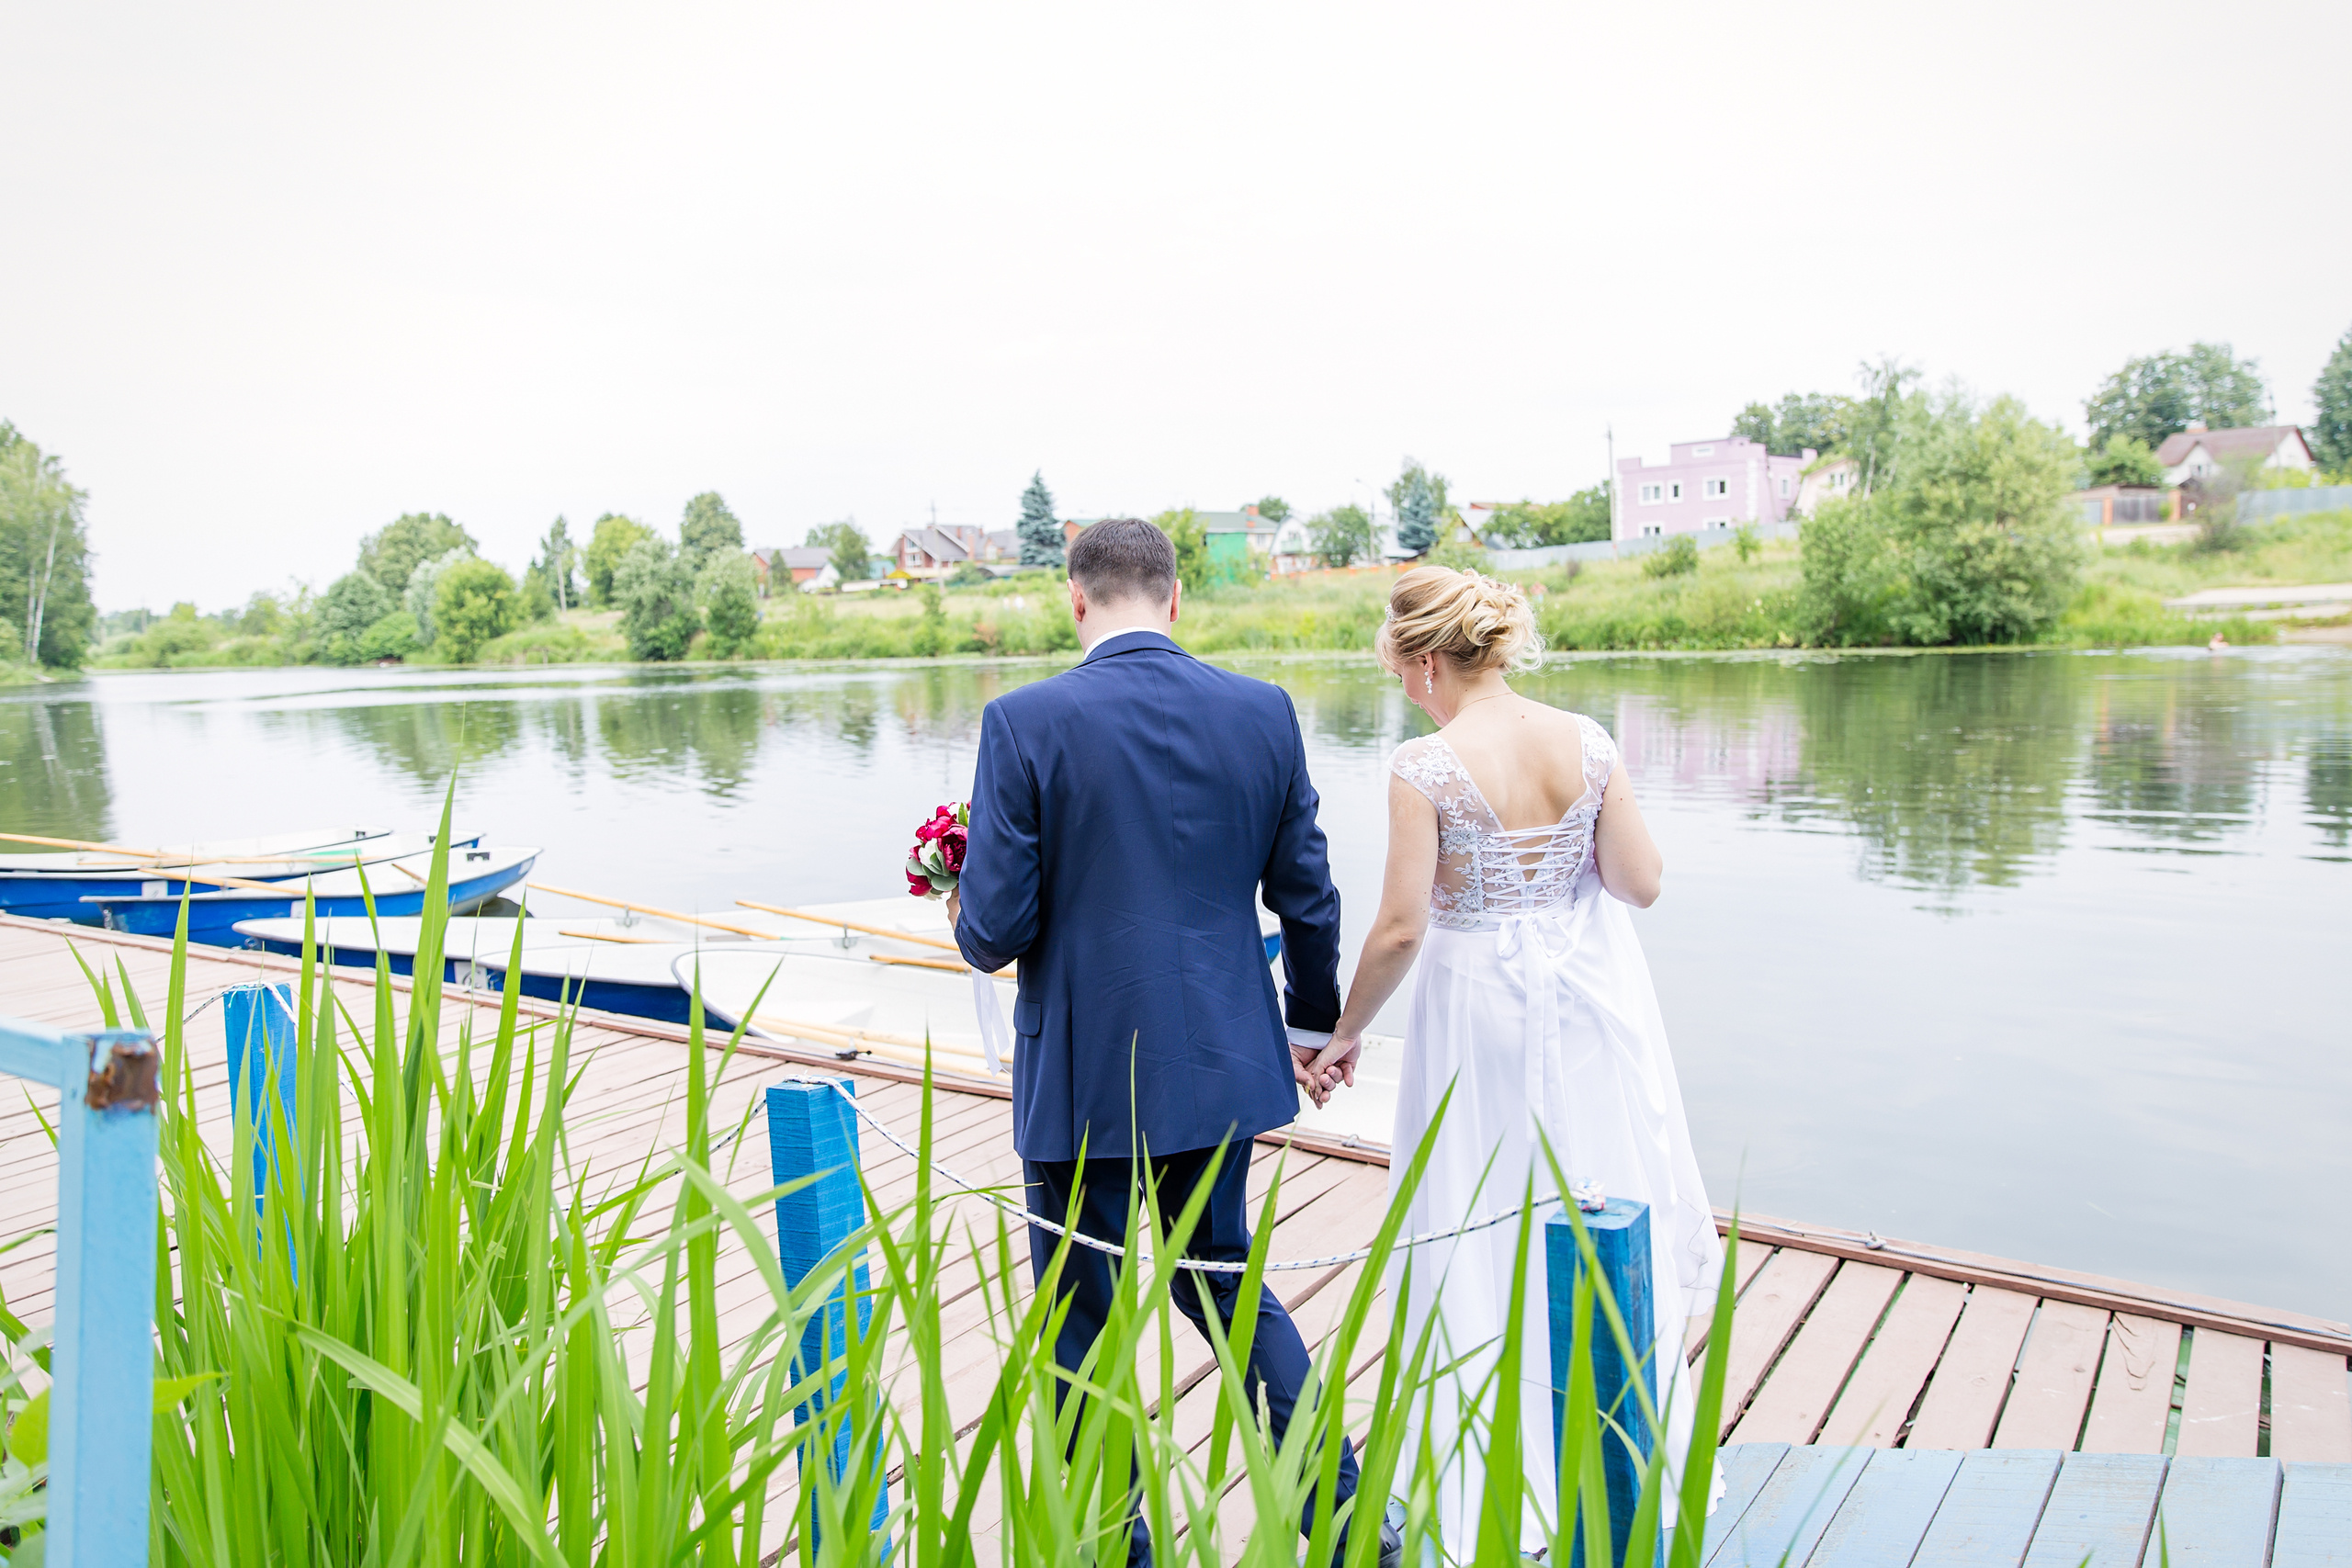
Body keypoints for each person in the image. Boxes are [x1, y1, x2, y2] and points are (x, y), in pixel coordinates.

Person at [950, 517, 1401, 1568]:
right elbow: (1309, 895)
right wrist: (1306, 1024)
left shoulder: (1022, 721)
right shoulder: (1262, 712)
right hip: (1217, 1060)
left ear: (1075, 601)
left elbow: (995, 930)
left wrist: (958, 902)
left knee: (1080, 1308)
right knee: (1223, 1280)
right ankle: (1342, 1521)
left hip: (1082, 1071)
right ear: (1174, 596)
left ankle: (1114, 1544)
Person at [1302, 566, 1722, 1555]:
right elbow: (1640, 884)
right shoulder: (1587, 740)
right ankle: (1614, 1445)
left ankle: (1497, 1459)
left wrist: (1345, 1029)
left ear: (1420, 662)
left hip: (1475, 1013)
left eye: (1401, 668)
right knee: (1594, 1190)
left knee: (1476, 1206)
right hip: (1588, 1003)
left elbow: (1402, 927)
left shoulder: (1424, 763)